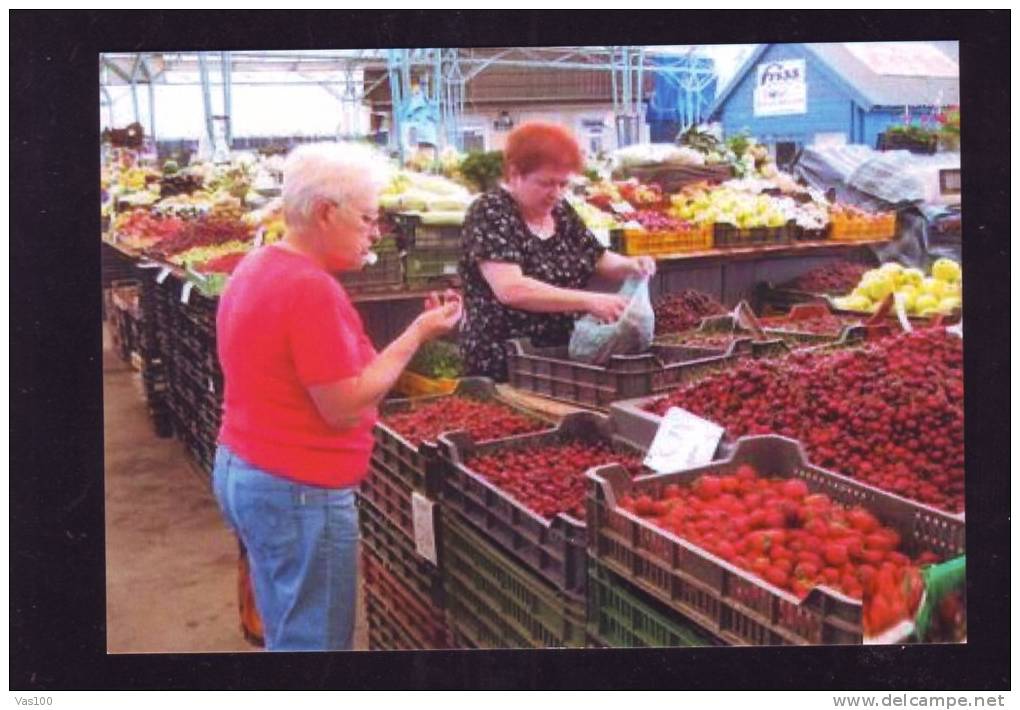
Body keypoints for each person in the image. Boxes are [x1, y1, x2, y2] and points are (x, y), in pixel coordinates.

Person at [211, 142, 462, 651]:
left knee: (287, 624)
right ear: (327, 212)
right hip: (299, 489)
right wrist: (415, 335)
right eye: (368, 218)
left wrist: (414, 329)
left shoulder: (258, 265)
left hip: (247, 468)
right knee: (316, 644)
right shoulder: (309, 289)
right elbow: (344, 405)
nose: (375, 231)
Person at [459, 121, 656, 381]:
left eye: (563, 184)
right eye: (546, 183)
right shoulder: (490, 212)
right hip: (506, 363)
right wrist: (588, 300)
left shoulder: (561, 212)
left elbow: (597, 257)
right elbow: (511, 289)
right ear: (515, 173)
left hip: (561, 361)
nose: (556, 193)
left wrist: (631, 265)